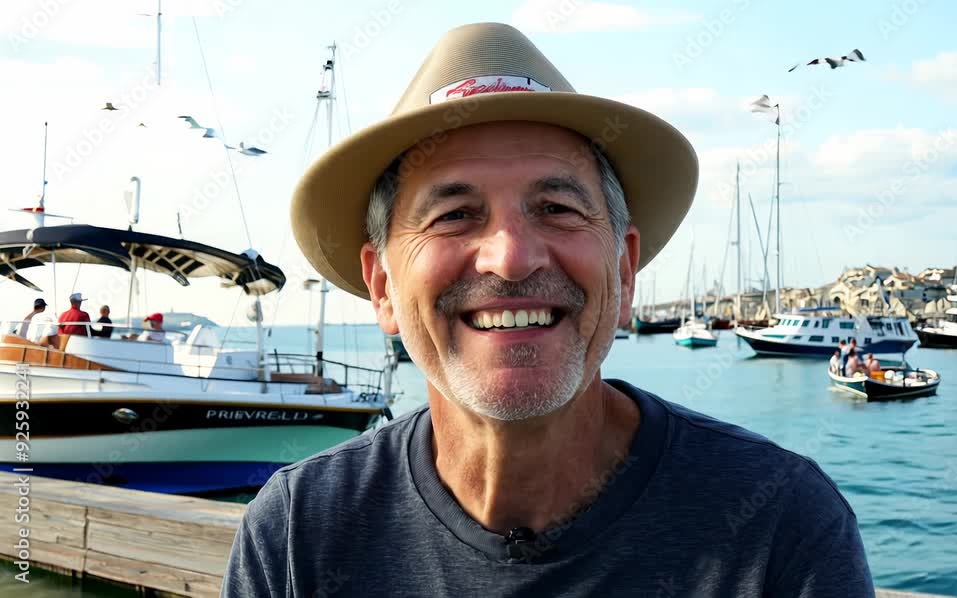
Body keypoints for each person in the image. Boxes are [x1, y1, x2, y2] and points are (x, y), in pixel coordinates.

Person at [222, 22, 874, 597]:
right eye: (454, 215)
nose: (511, 258)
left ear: (623, 269)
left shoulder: (778, 528)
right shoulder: (298, 531)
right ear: (384, 287)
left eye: (556, 209)